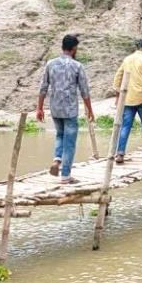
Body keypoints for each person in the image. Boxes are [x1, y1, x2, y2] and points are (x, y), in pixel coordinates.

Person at [37, 35, 94, 184]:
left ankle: (57, 159)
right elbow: (84, 91)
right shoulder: (77, 66)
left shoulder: (50, 64)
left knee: (60, 135)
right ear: (74, 48)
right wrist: (89, 110)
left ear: (62, 47)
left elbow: (43, 88)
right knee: (69, 143)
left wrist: (39, 108)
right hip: (70, 110)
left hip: (55, 108)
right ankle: (66, 176)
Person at [113, 37, 142, 164]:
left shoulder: (127, 59)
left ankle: (120, 152)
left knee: (125, 126)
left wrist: (118, 95)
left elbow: (118, 76)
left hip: (127, 99)